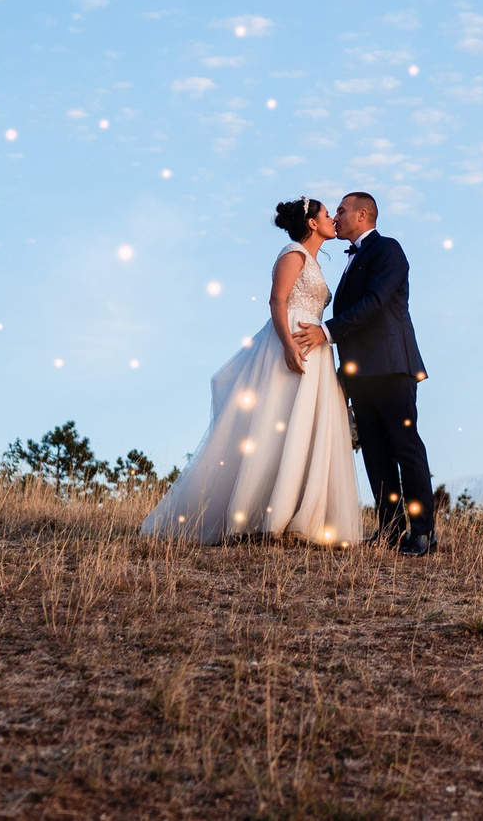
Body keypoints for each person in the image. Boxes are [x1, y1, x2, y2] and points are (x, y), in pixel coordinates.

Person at [139, 198, 361, 545]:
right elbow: (277, 299)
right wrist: (288, 344)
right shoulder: (293, 253)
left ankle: (297, 513)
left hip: (316, 346)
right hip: (290, 339)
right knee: (277, 420)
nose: (333, 218)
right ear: (312, 223)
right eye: (326, 214)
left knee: (302, 426)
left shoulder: (315, 262)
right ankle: (258, 516)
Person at [294, 190, 434, 554]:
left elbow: (374, 303)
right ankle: (389, 530)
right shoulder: (351, 260)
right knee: (374, 451)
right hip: (361, 373)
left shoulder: (388, 249)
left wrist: (326, 332)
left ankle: (422, 532)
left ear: (362, 215)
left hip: (391, 366)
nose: (336, 216)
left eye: (341, 210)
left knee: (405, 448)